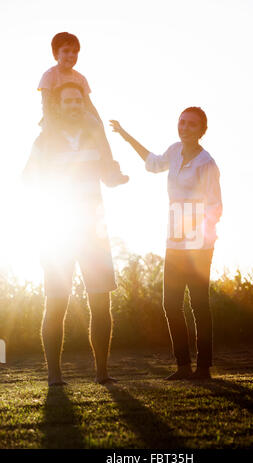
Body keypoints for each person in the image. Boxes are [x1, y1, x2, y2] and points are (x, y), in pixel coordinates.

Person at [110, 107, 222, 380]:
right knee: (170, 304)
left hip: (199, 245)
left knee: (198, 305)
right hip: (174, 240)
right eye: (181, 122)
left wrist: (197, 233)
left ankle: (203, 368)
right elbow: (152, 162)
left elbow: (216, 207)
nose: (184, 127)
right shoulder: (174, 152)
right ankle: (183, 366)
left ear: (202, 130)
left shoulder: (207, 163)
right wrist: (125, 135)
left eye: (191, 124)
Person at [23, 82, 118, 386]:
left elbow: (109, 174)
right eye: (69, 102)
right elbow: (28, 179)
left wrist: (116, 176)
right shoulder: (44, 141)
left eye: (79, 101)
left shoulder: (95, 137)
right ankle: (54, 375)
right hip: (58, 231)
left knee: (101, 303)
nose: (75, 106)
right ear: (58, 106)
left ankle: (102, 373)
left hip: (95, 232)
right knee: (56, 302)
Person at [38, 31, 128, 187]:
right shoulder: (49, 75)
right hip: (56, 115)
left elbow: (88, 103)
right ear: (55, 54)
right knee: (47, 139)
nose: (71, 55)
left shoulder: (80, 78)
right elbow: (45, 103)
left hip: (79, 116)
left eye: (75, 52)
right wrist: (51, 124)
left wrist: (98, 123)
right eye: (66, 51)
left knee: (98, 134)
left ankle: (110, 172)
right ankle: (44, 173)